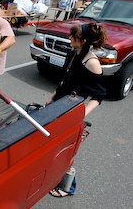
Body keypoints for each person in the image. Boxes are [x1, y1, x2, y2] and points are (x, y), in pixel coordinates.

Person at [46, 21, 107, 198]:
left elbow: (99, 95)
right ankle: (52, 176)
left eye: (74, 36)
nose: (69, 37)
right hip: (59, 106)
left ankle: (68, 187)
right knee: (50, 144)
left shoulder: (92, 62)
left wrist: (81, 114)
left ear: (84, 40)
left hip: (73, 111)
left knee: (66, 149)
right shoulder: (73, 53)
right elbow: (64, 81)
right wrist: (52, 97)